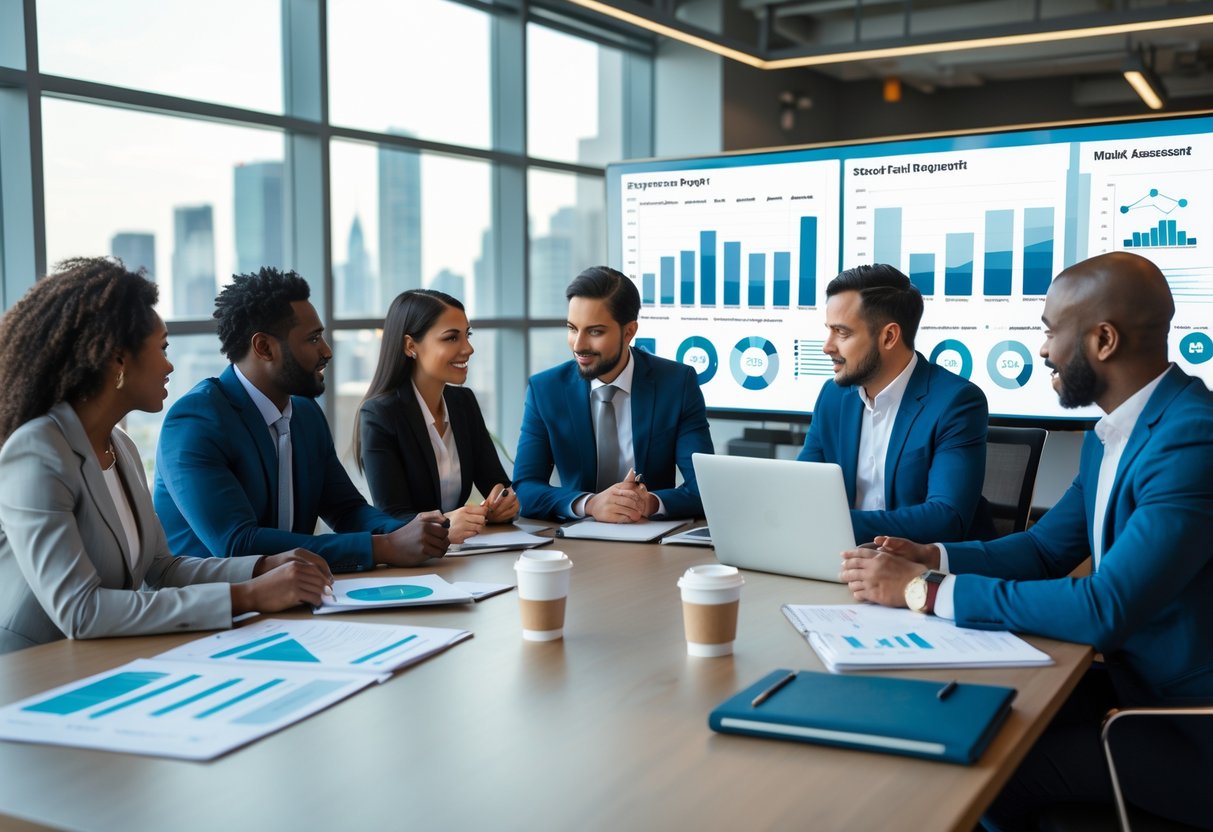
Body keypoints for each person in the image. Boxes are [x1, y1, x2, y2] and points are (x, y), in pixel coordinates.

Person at [839, 251, 1213, 830]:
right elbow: (1043, 550)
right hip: (1126, 688)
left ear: (1103, 341)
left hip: (1182, 727)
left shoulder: (1191, 440)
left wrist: (927, 590)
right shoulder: (1114, 432)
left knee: (978, 771)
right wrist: (932, 555)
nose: (1042, 351)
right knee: (957, 719)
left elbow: (1104, 607)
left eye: (1049, 332)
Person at [0, 258, 333, 655]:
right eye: (161, 348)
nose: (170, 364)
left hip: (102, 661)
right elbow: (80, 611)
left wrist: (263, 567)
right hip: (31, 670)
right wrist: (247, 596)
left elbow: (162, 568)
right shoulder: (38, 452)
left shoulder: (120, 447)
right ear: (117, 360)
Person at [153, 268, 449, 572]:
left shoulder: (305, 414)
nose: (327, 351)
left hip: (293, 598)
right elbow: (237, 544)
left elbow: (346, 509)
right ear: (264, 347)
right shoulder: (195, 421)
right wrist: (383, 547)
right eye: (313, 339)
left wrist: (409, 530)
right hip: (217, 608)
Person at [798, 264, 995, 543]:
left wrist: (833, 522)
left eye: (842, 333)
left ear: (889, 336)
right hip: (844, 559)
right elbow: (802, 491)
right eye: (829, 330)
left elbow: (945, 518)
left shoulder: (956, 402)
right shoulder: (833, 397)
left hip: (919, 571)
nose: (827, 346)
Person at [513, 266, 714, 522]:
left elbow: (704, 489)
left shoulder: (676, 384)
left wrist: (649, 503)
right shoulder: (545, 390)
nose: (578, 345)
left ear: (629, 332)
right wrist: (590, 504)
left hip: (651, 538)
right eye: (573, 328)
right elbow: (525, 488)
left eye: (595, 331)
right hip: (576, 541)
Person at [356, 289, 518, 544]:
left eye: (467, 335)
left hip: (463, 558)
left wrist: (503, 501)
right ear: (411, 346)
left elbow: (496, 482)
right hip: (410, 568)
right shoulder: (380, 415)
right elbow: (391, 517)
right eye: (452, 338)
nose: (468, 348)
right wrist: (445, 525)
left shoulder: (464, 403)